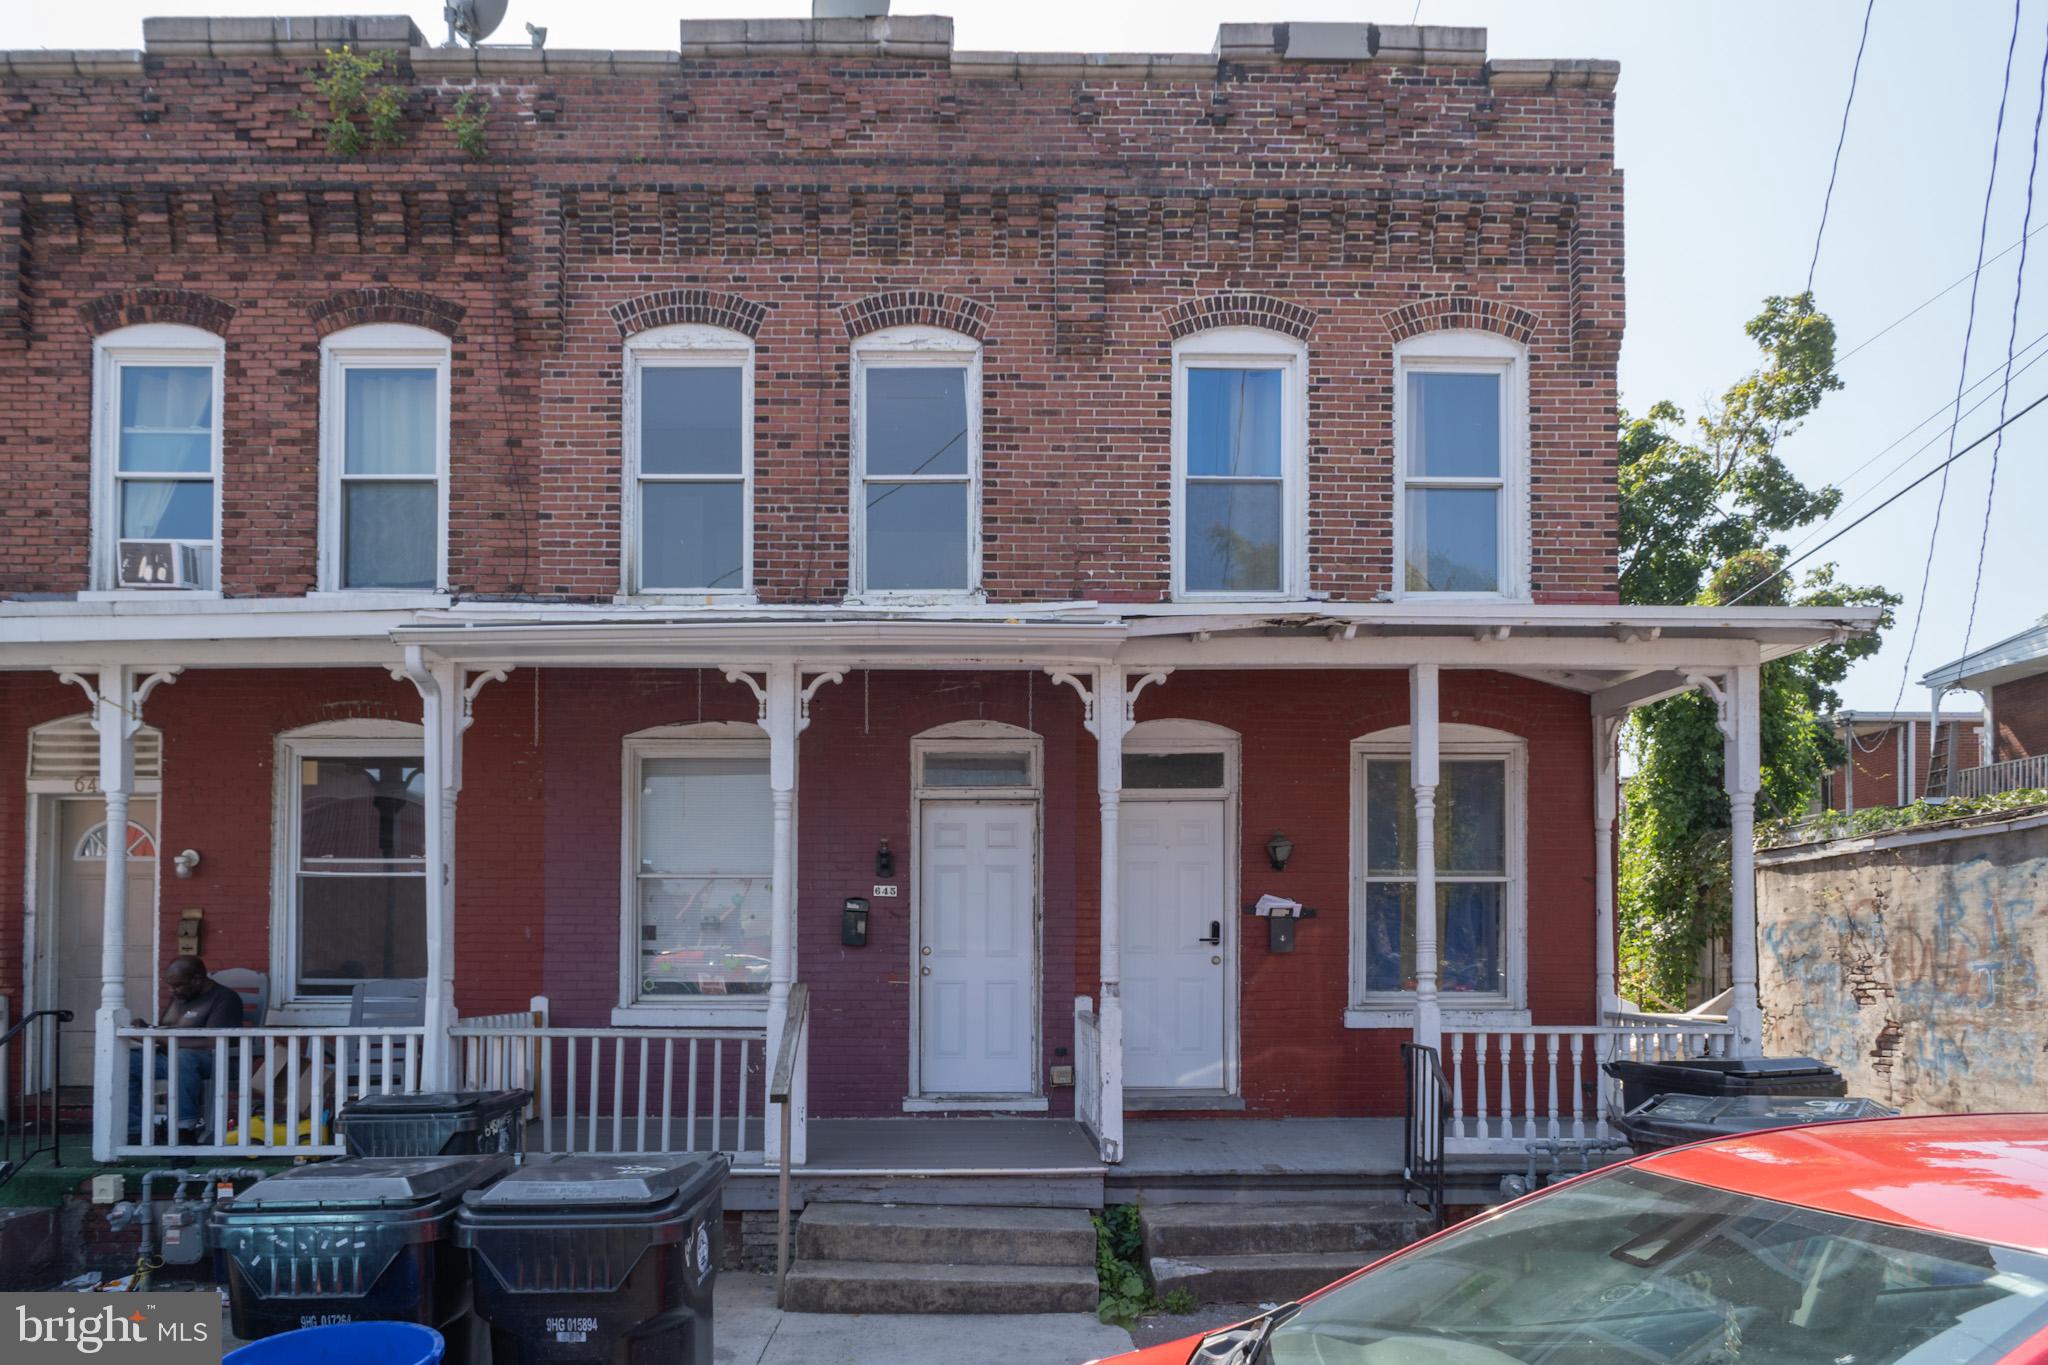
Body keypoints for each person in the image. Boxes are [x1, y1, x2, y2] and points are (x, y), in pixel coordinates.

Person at [127, 956, 244, 1142]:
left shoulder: (224, 998)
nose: (173, 991)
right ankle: (133, 1130)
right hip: (172, 1056)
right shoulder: (181, 997)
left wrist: (166, 1041)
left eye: (178, 985)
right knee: (127, 1061)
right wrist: (146, 1028)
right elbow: (166, 1029)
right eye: (171, 986)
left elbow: (214, 1042)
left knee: (183, 1058)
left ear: (197, 979)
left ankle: (185, 1129)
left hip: (214, 1061)